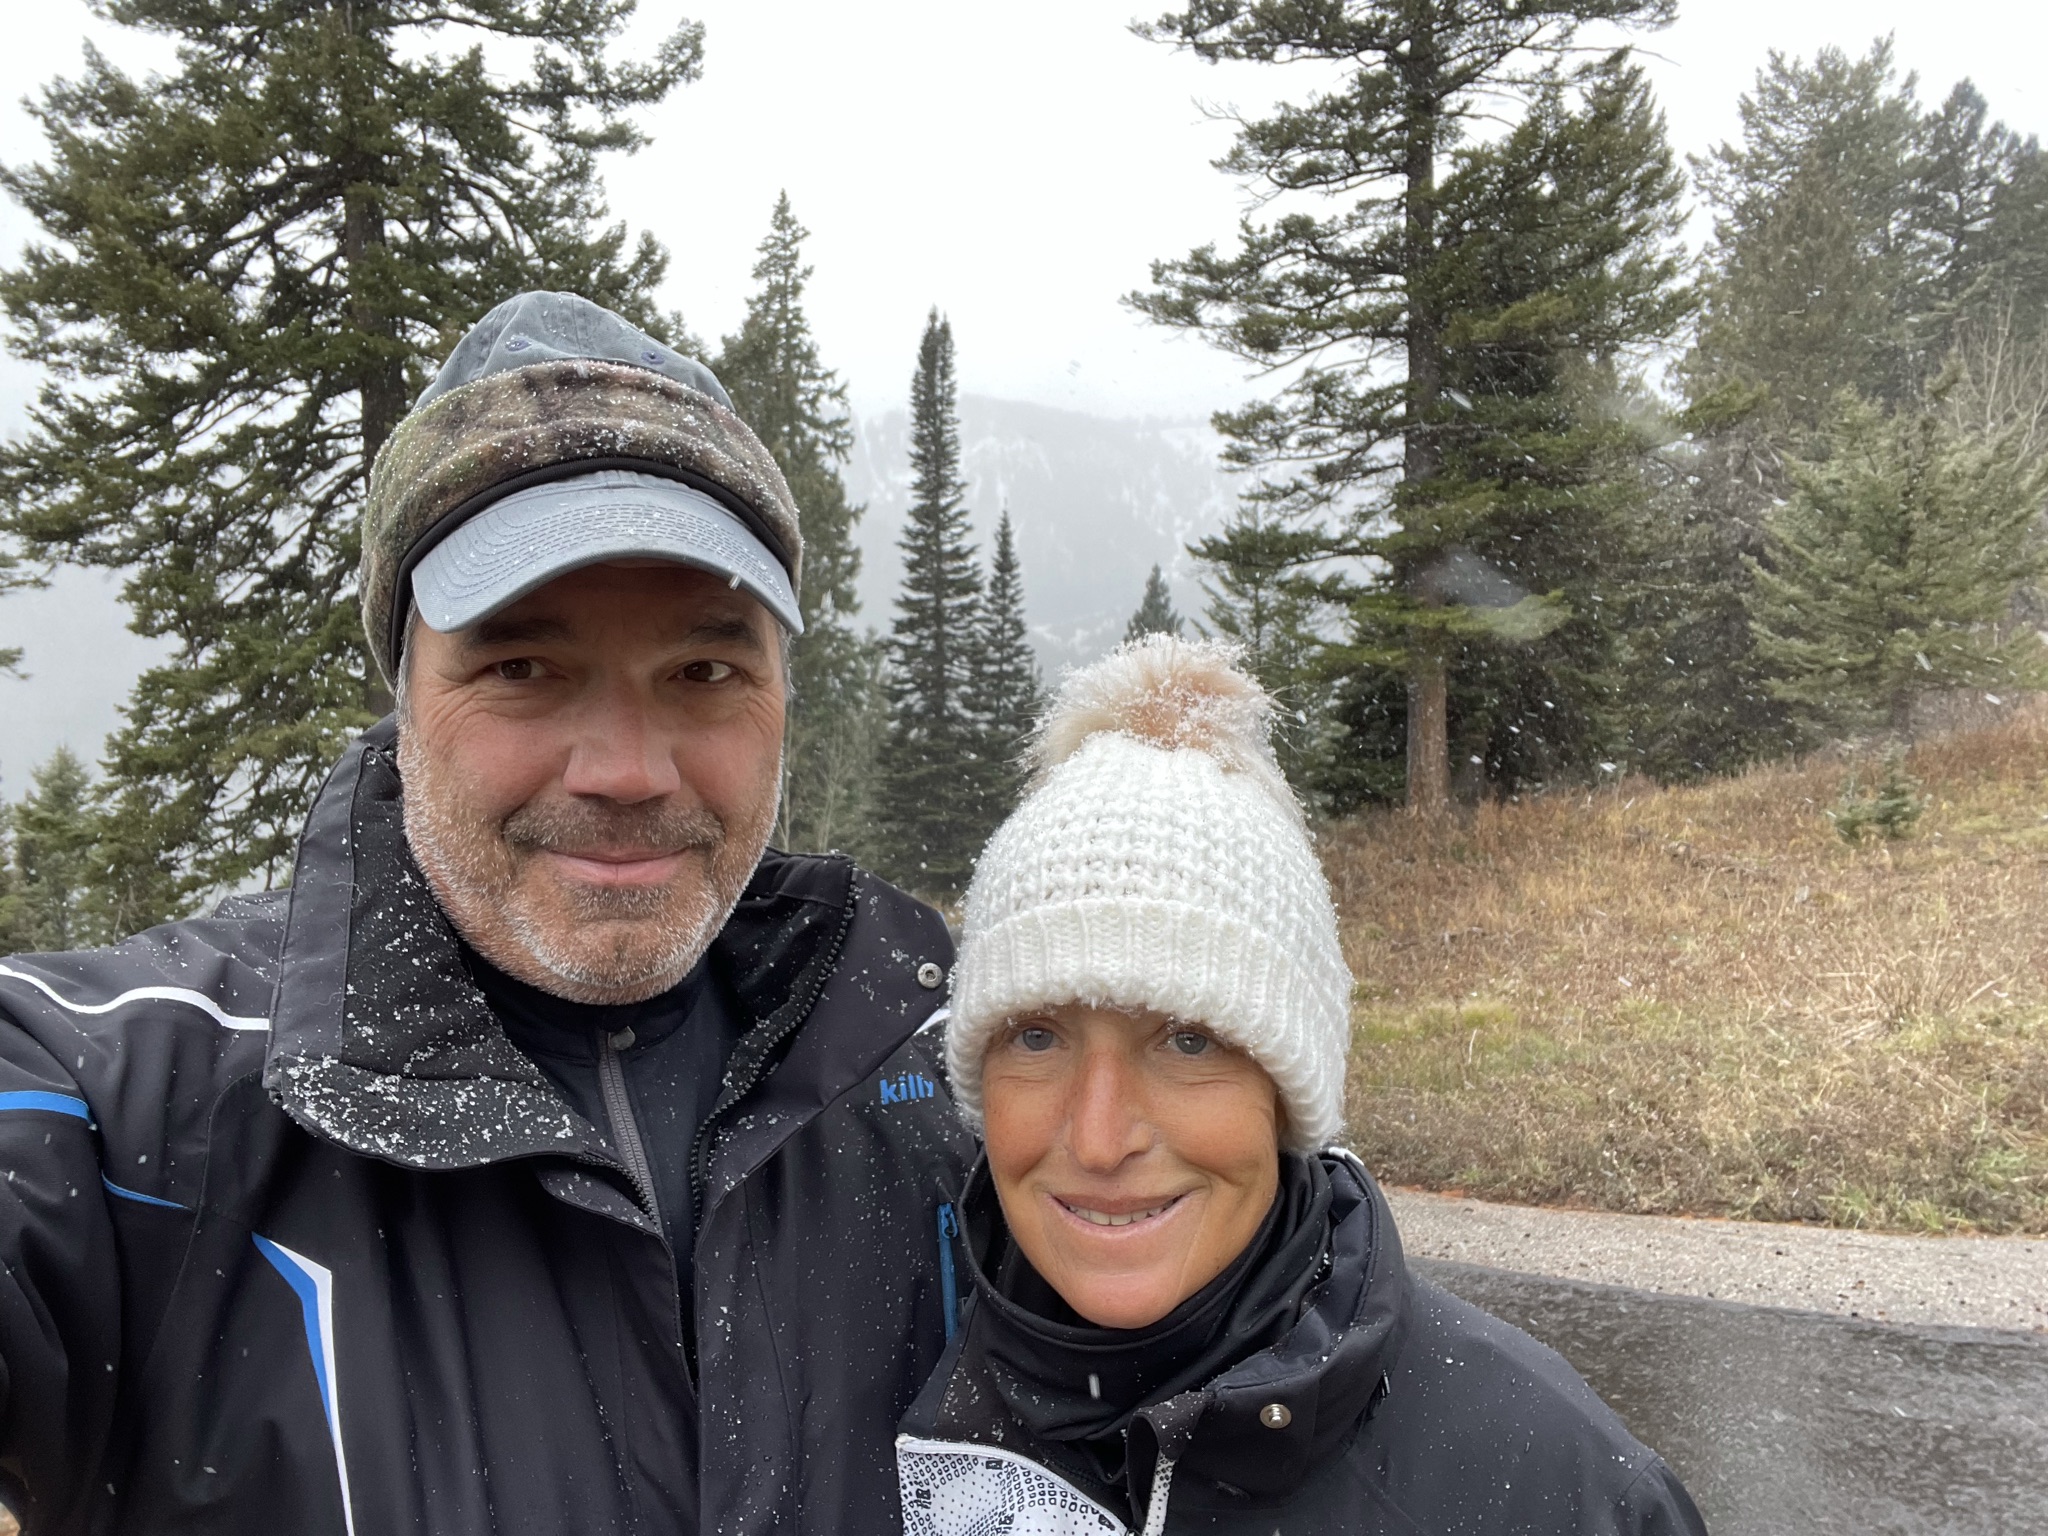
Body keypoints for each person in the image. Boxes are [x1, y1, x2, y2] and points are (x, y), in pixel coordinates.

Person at [0, 292, 972, 1535]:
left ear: (783, 691)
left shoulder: (950, 1077)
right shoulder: (147, 1110)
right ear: (404, 689)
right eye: (522, 666)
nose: (626, 769)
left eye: (704, 671)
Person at [897, 636, 1708, 1536]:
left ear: (1288, 1094)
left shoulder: (1567, 1493)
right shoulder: (876, 1407)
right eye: (1037, 1036)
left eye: (1189, 1040)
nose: (1097, 1137)